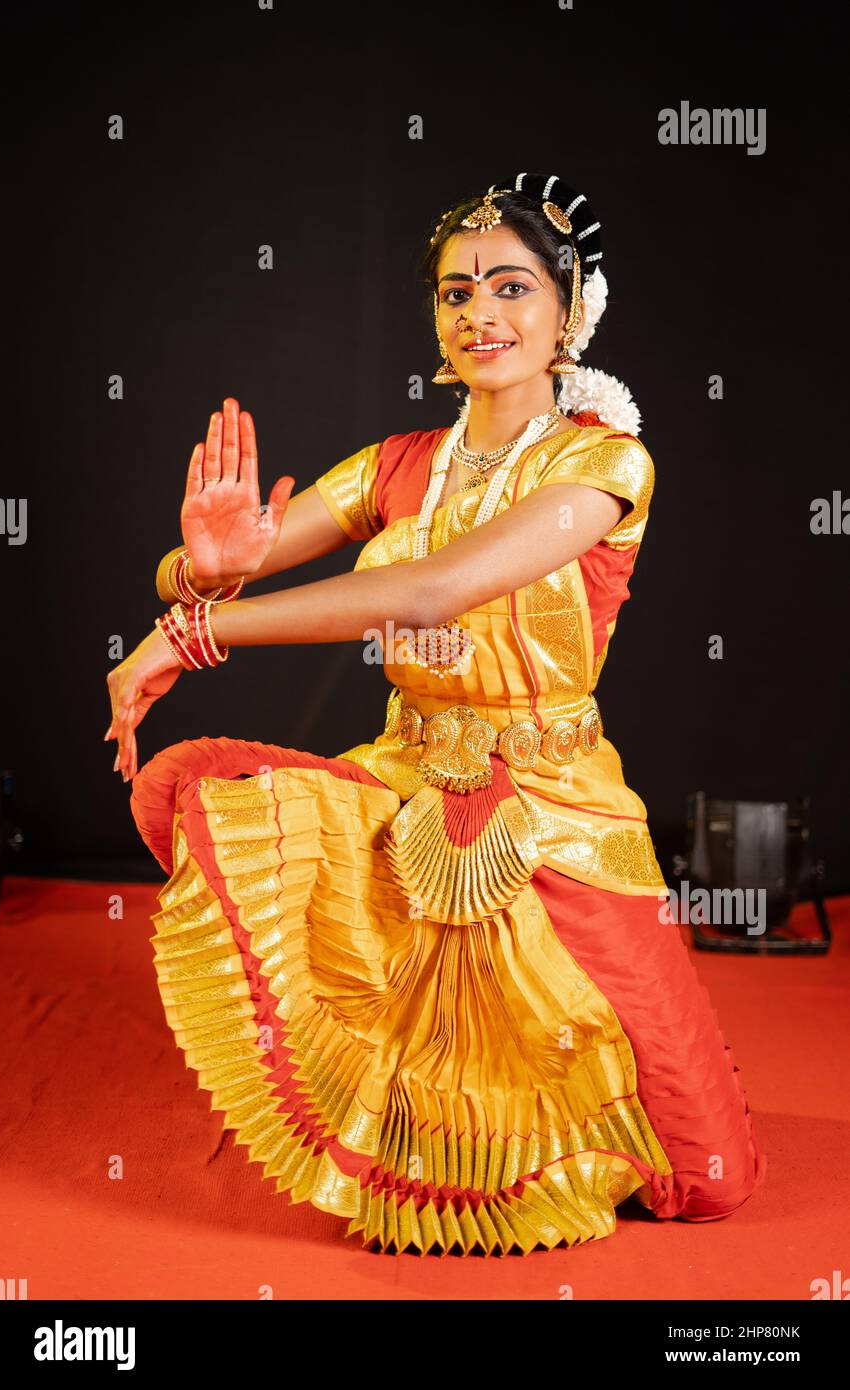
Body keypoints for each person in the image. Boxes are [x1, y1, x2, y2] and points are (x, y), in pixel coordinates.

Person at [105, 172, 766, 1255]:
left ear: (568, 313)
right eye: (456, 294)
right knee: (223, 803)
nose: (480, 315)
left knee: (705, 1176)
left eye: (510, 288)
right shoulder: (399, 466)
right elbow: (222, 565)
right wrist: (203, 568)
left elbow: (428, 590)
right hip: (410, 776)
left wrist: (198, 633)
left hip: (554, 808)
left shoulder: (603, 464)